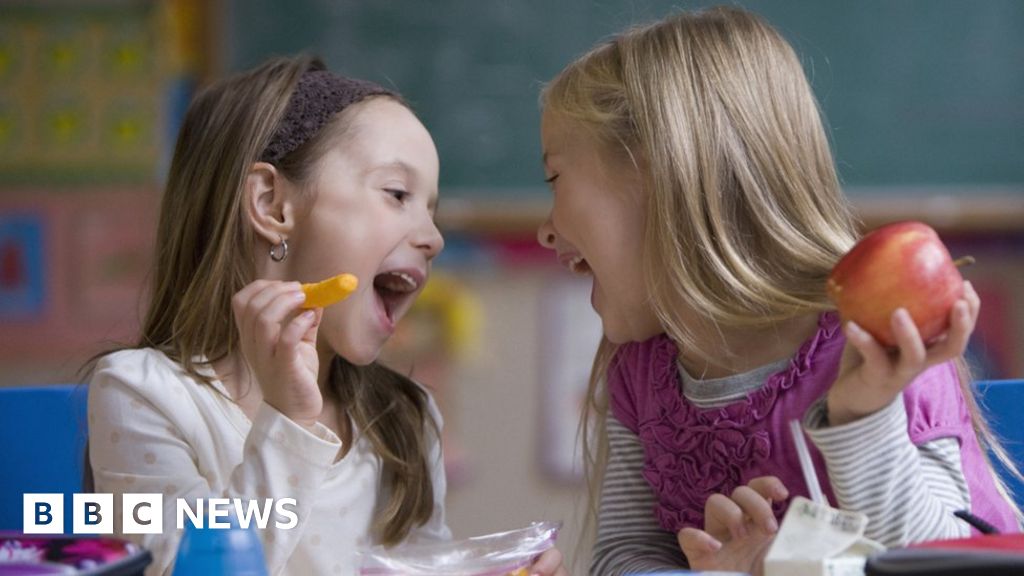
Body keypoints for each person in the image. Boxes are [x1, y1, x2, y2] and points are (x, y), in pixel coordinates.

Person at [535, 6, 1020, 575]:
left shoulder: (874, 340)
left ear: (659, 172)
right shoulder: (639, 372)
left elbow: (949, 564)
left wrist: (862, 418)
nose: (546, 228)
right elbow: (625, 557)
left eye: (555, 178)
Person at [88, 55, 566, 576]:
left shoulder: (407, 418)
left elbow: (417, 566)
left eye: (431, 206)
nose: (433, 237)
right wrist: (288, 421)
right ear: (272, 205)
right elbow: (186, 569)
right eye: (398, 194)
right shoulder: (143, 394)